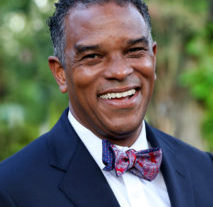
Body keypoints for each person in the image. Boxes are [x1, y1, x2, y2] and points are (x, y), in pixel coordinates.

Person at [0, 0, 213, 206]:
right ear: (61, 73)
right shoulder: (11, 188)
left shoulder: (205, 170)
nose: (120, 71)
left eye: (134, 51)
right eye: (93, 56)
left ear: (153, 59)